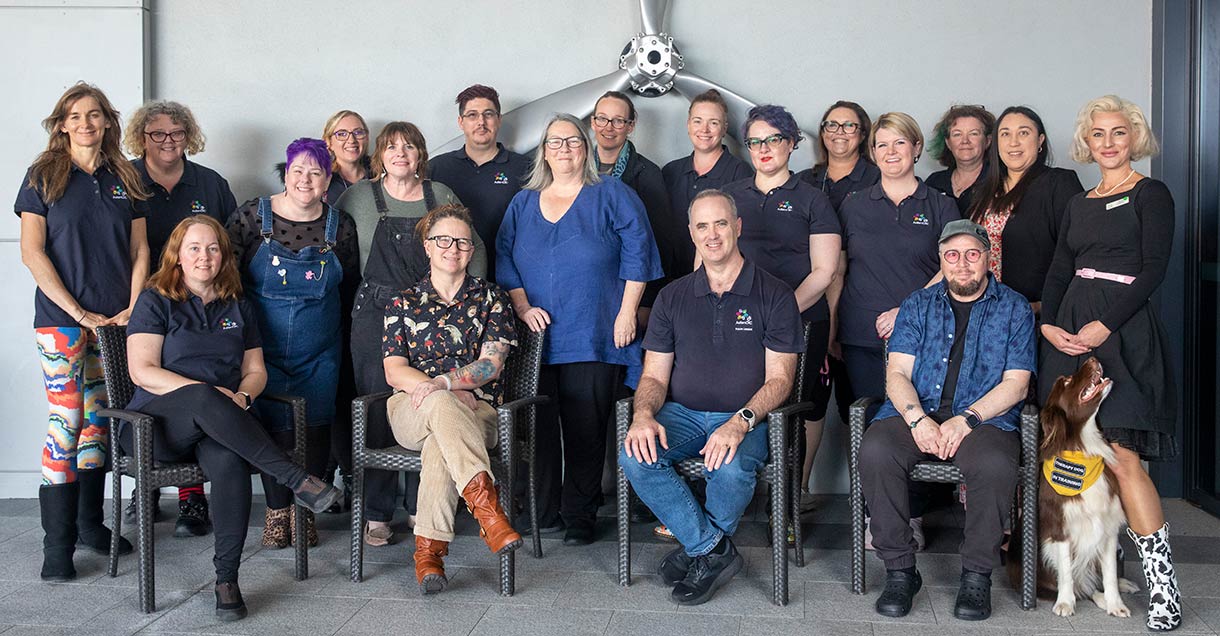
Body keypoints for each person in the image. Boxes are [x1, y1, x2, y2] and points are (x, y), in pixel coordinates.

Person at [125, 215, 341, 621]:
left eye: (212, 248)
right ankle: (296, 478)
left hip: (220, 421)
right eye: (194, 248)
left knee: (229, 465)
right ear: (177, 256)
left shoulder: (238, 304)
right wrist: (204, 394)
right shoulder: (156, 299)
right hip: (156, 426)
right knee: (204, 397)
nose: (204, 256)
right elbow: (143, 371)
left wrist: (241, 396)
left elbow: (256, 371)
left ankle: (227, 579)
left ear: (224, 255)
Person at [1038, 95, 1182, 631]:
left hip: (1123, 331)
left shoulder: (1152, 194)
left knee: (1123, 460)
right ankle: (1087, 572)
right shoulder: (1079, 202)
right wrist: (1050, 323)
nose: (1108, 143)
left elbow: (1154, 269)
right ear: (1087, 142)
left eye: (1118, 133)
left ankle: (1164, 589)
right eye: (1098, 134)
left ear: (1133, 137)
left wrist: (1106, 325)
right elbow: (1059, 269)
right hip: (1071, 334)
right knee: (1070, 455)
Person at [620, 189, 803, 605]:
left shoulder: (774, 294)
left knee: (732, 468)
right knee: (635, 454)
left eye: (721, 223)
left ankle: (697, 549)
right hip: (682, 413)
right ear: (692, 233)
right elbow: (653, 375)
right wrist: (644, 414)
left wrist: (738, 423)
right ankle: (711, 550)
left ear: (738, 227)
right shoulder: (672, 296)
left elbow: (781, 380)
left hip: (747, 416)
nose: (713, 234)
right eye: (702, 226)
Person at [497, 113, 662, 544]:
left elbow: (639, 251)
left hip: (594, 331)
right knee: (540, 429)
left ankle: (580, 516)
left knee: (587, 430)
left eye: (572, 141)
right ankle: (543, 511)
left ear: (585, 148)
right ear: (544, 151)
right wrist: (522, 304)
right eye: (555, 142)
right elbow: (504, 258)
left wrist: (628, 312)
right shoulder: (523, 202)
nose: (564, 149)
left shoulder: (612, 194)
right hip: (536, 339)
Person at [860, 220, 1035, 622]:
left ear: (988, 259)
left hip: (984, 418)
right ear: (941, 261)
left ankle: (976, 575)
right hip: (916, 412)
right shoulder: (917, 305)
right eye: (952, 255)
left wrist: (966, 420)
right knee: (876, 449)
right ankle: (900, 570)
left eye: (972, 254)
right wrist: (918, 419)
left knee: (993, 463)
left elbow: (1017, 384)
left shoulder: (1014, 308)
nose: (962, 264)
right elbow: (897, 374)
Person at [16, 82, 148, 582]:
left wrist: (133, 305)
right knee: (68, 418)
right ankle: (58, 547)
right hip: (60, 323)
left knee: (99, 420)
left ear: (107, 122)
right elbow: (33, 251)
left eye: (95, 115)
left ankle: (91, 526)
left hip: (116, 322)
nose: (87, 123)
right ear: (62, 124)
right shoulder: (43, 176)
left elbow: (139, 251)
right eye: (76, 116)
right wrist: (77, 312)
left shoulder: (124, 176)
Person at [335, 122, 479, 547]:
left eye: (411, 146)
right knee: (378, 405)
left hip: (434, 314)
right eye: (392, 147)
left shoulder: (442, 195)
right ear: (379, 155)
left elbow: (475, 247)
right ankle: (377, 513)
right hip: (375, 313)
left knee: (430, 399)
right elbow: (337, 250)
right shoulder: (358, 196)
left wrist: (466, 305)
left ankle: (422, 504)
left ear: (422, 154)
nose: (401, 153)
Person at [382, 204, 522, 595]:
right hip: (410, 408)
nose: (452, 248)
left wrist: (443, 383)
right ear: (428, 247)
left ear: (472, 249)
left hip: (480, 411)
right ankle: (488, 512)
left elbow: (491, 365)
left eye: (461, 241)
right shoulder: (403, 302)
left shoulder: (492, 298)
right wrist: (443, 389)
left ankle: (429, 555)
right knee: (443, 406)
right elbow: (394, 371)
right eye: (443, 240)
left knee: (440, 444)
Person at [226, 138, 359, 549]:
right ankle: (277, 510)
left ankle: (306, 513)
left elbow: (350, 286)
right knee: (271, 431)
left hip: (320, 351)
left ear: (327, 179)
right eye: (298, 170)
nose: (305, 179)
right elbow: (227, 279)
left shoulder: (342, 225)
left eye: (315, 172)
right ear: (286, 172)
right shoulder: (252, 216)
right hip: (260, 350)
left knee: (317, 429)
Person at [721, 105, 840, 535]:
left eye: (774, 139)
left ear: (792, 143)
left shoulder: (813, 198)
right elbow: (709, 256)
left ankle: (786, 505)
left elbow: (824, 271)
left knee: (792, 411)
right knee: (730, 404)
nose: (764, 149)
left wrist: (778, 311)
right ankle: (723, 501)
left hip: (802, 321)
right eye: (755, 141)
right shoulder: (731, 195)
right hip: (737, 322)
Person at [122, 99, 238, 537]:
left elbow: (229, 246)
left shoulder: (209, 183)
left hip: (200, 303)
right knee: (150, 385)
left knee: (197, 376)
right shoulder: (125, 179)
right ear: (142, 138)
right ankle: (145, 489)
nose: (168, 141)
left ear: (189, 136)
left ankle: (192, 498)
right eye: (158, 134)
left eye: (177, 133)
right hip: (142, 302)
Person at [795, 100, 881, 509]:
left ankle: (869, 501)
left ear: (863, 134)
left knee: (859, 408)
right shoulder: (805, 181)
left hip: (864, 309)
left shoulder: (877, 179)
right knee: (808, 403)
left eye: (849, 126)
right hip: (813, 307)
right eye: (831, 125)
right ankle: (797, 492)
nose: (839, 132)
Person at [967, 107, 1083, 312]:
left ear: (1040, 141)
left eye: (1023, 133)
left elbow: (1077, 252)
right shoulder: (981, 190)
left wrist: (1044, 306)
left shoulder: (1058, 183)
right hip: (982, 313)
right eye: (1005, 134)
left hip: (1033, 313)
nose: (1013, 142)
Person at [429, 84, 530, 282]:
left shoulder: (525, 168)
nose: (481, 122)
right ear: (461, 122)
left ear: (499, 120)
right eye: (472, 115)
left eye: (488, 114)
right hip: (450, 281)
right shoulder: (437, 168)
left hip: (508, 278)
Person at [590, 90, 680, 308]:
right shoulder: (574, 170)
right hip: (589, 289)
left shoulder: (648, 174)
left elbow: (660, 246)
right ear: (593, 123)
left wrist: (646, 305)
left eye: (618, 121)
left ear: (630, 126)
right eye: (602, 118)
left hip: (629, 295)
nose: (608, 127)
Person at [661, 89, 753, 276]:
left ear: (724, 128)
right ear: (688, 125)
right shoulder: (670, 172)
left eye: (713, 123)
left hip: (717, 280)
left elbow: (743, 237)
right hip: (669, 280)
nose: (704, 130)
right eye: (698, 121)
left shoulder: (740, 172)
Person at [925, 105, 996, 215]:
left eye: (973, 133)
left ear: (988, 141)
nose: (965, 141)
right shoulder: (934, 183)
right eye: (957, 134)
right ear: (948, 143)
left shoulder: (999, 181)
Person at [323, 109, 372, 204]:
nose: (351, 140)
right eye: (341, 134)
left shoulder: (380, 173)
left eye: (358, 132)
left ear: (366, 138)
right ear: (328, 142)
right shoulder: (321, 177)